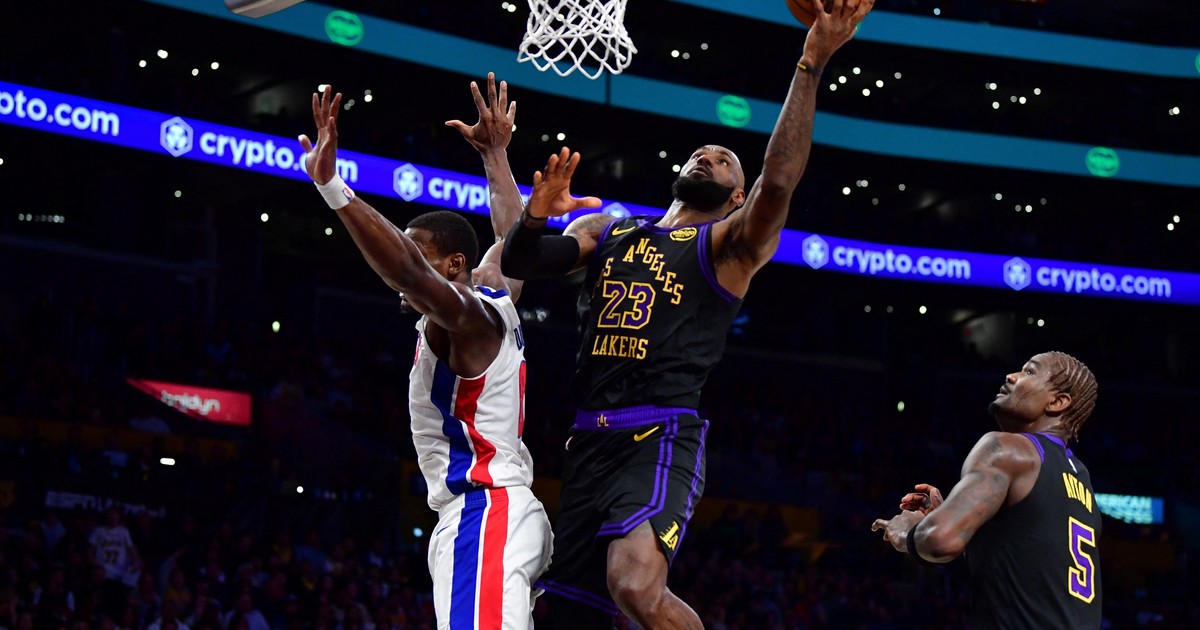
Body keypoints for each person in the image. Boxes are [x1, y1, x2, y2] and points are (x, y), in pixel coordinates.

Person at [499, 0, 872, 625]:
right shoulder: (606, 230)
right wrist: (536, 213)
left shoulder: (728, 245)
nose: (709, 156)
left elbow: (779, 180)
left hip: (660, 432)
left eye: (724, 160)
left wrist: (810, 63)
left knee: (635, 586)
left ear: (737, 196)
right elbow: (522, 259)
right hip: (587, 439)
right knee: (565, 615)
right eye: (702, 152)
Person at [298, 74, 552, 629]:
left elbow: (408, 272)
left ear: (455, 265)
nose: (409, 260)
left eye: (422, 251)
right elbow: (513, 241)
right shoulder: (497, 293)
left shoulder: (467, 317)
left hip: (483, 510)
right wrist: (495, 154)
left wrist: (333, 188)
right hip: (506, 510)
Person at [872, 351, 1102, 629]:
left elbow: (938, 540)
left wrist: (908, 533)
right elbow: (1017, 585)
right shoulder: (1082, 482)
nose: (1011, 376)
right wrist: (956, 523)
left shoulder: (1007, 448)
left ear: (1057, 402)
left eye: (1029, 372)